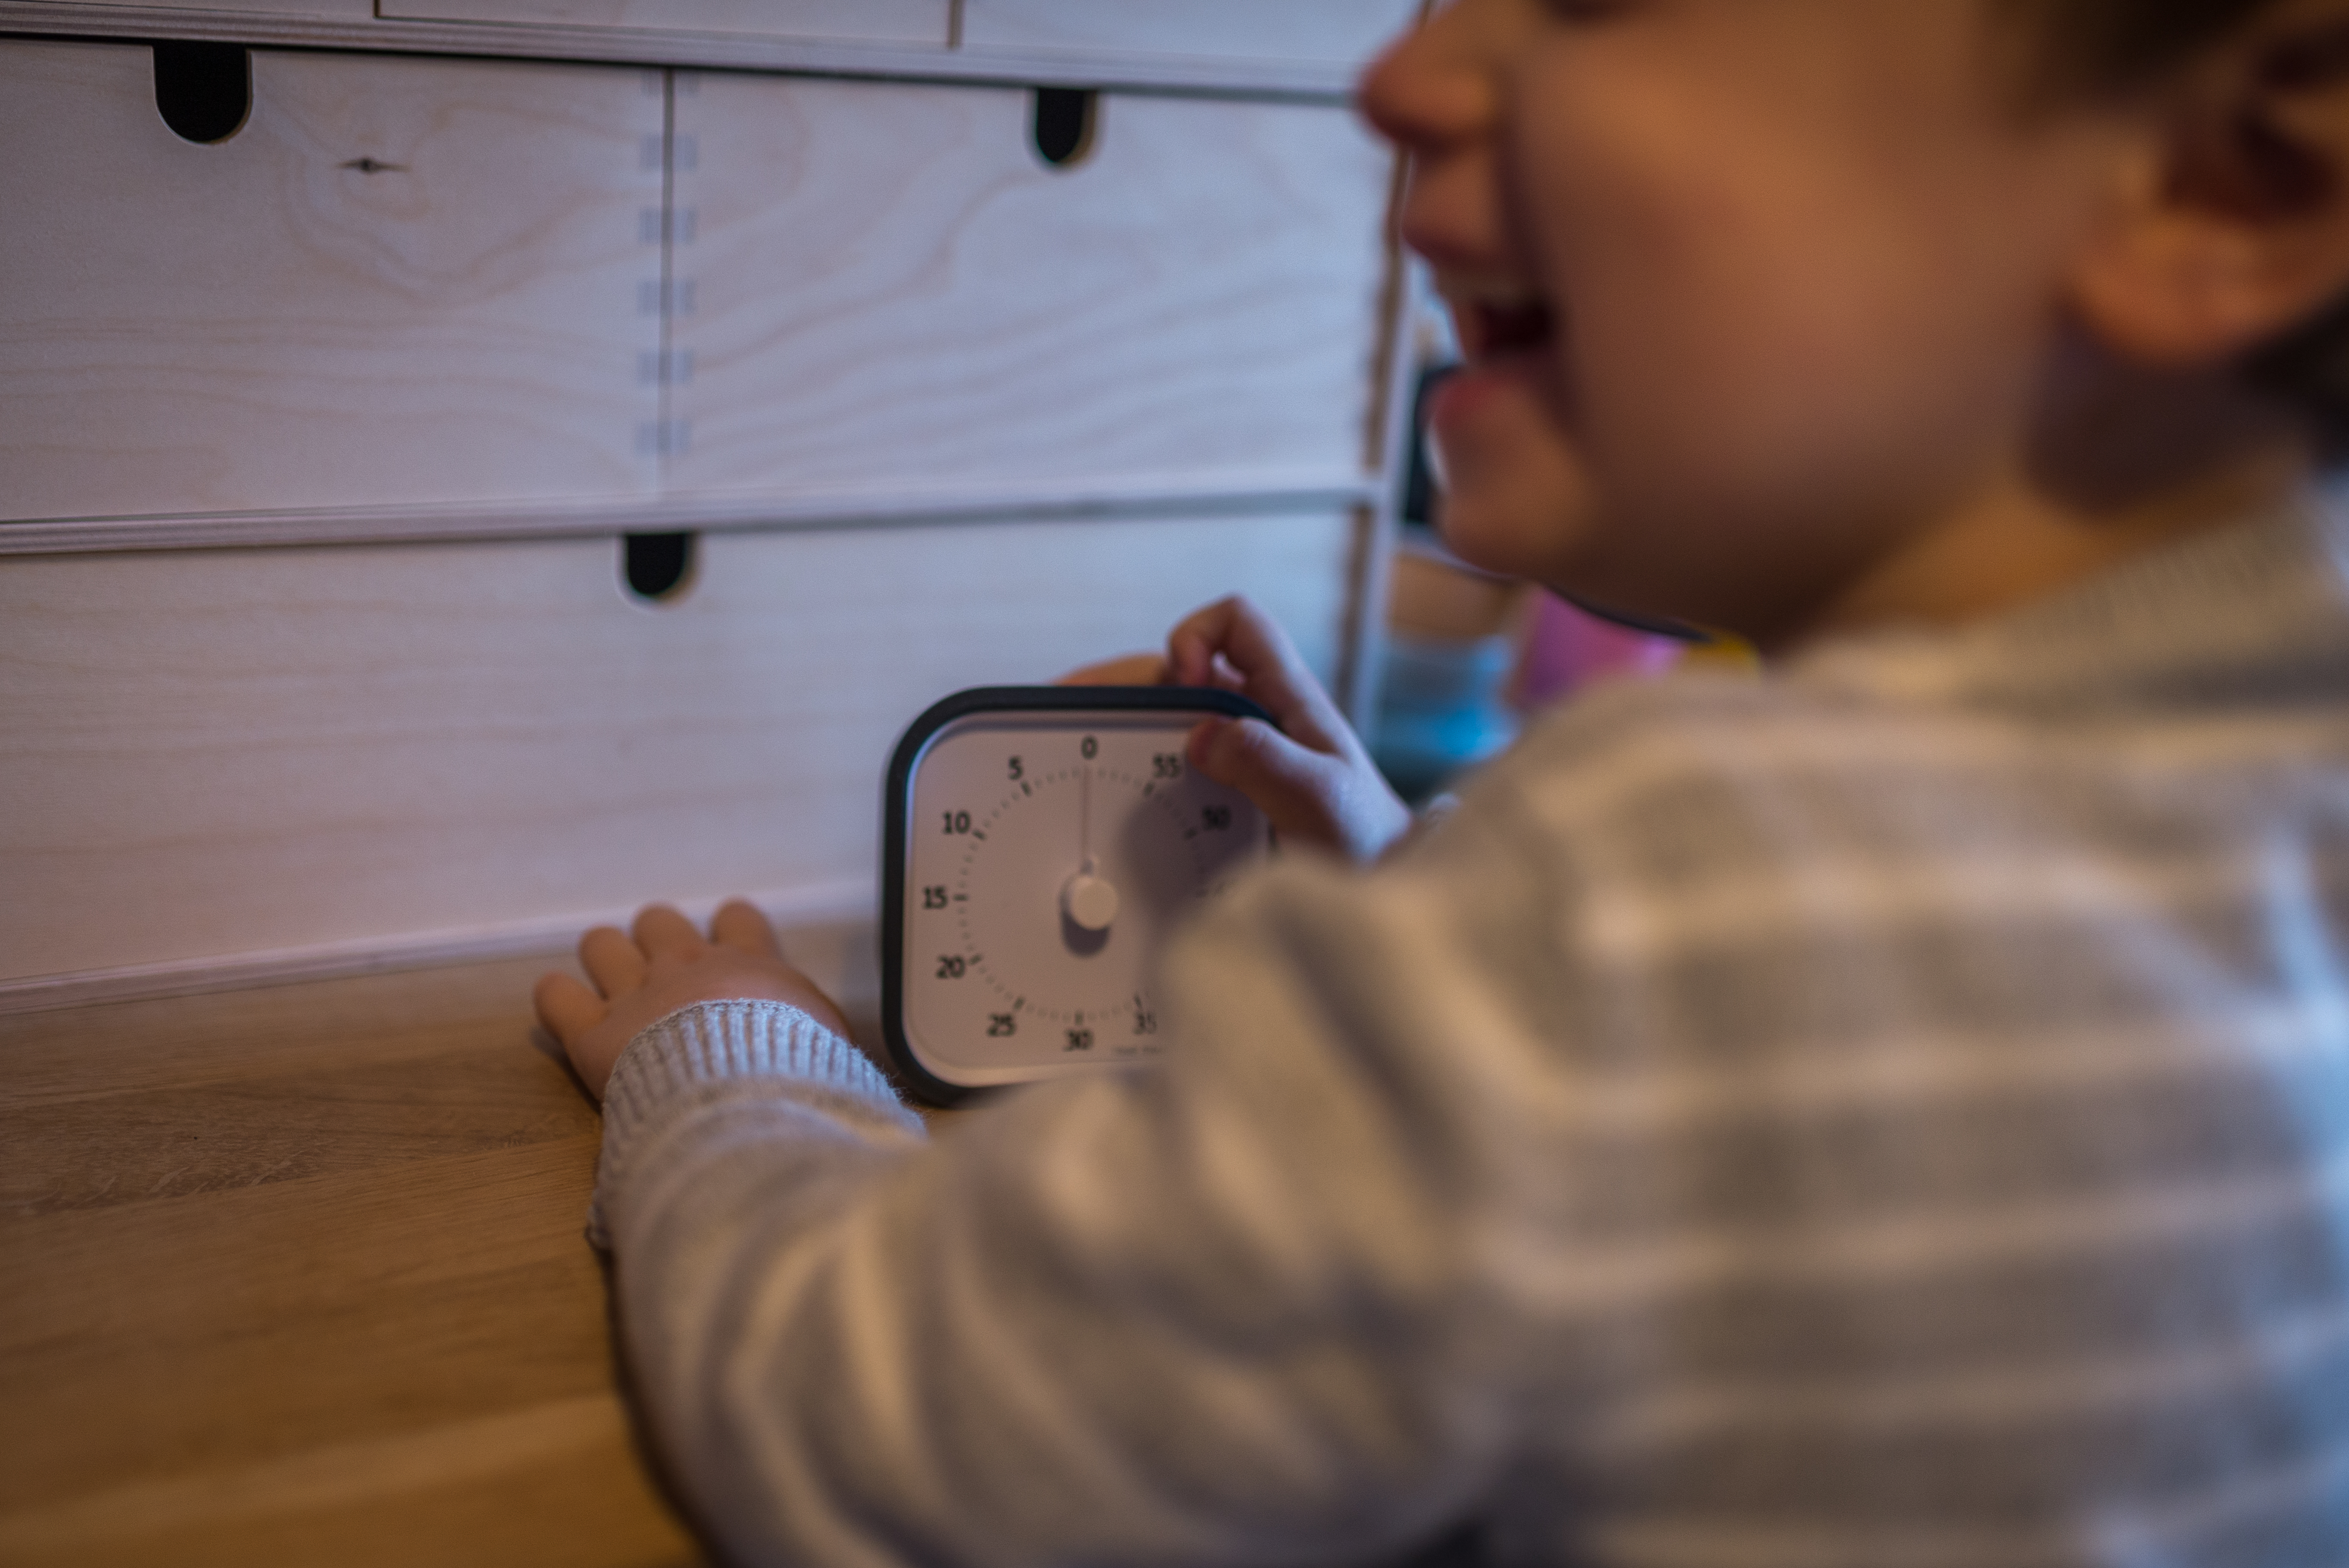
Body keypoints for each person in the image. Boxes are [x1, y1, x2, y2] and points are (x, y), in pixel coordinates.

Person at [533, 1, 2349, 1562]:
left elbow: (884, 1426)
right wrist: (1428, 885)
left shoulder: (1656, 906)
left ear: (2226, 188)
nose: (1397, 82)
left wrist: (739, 1063)